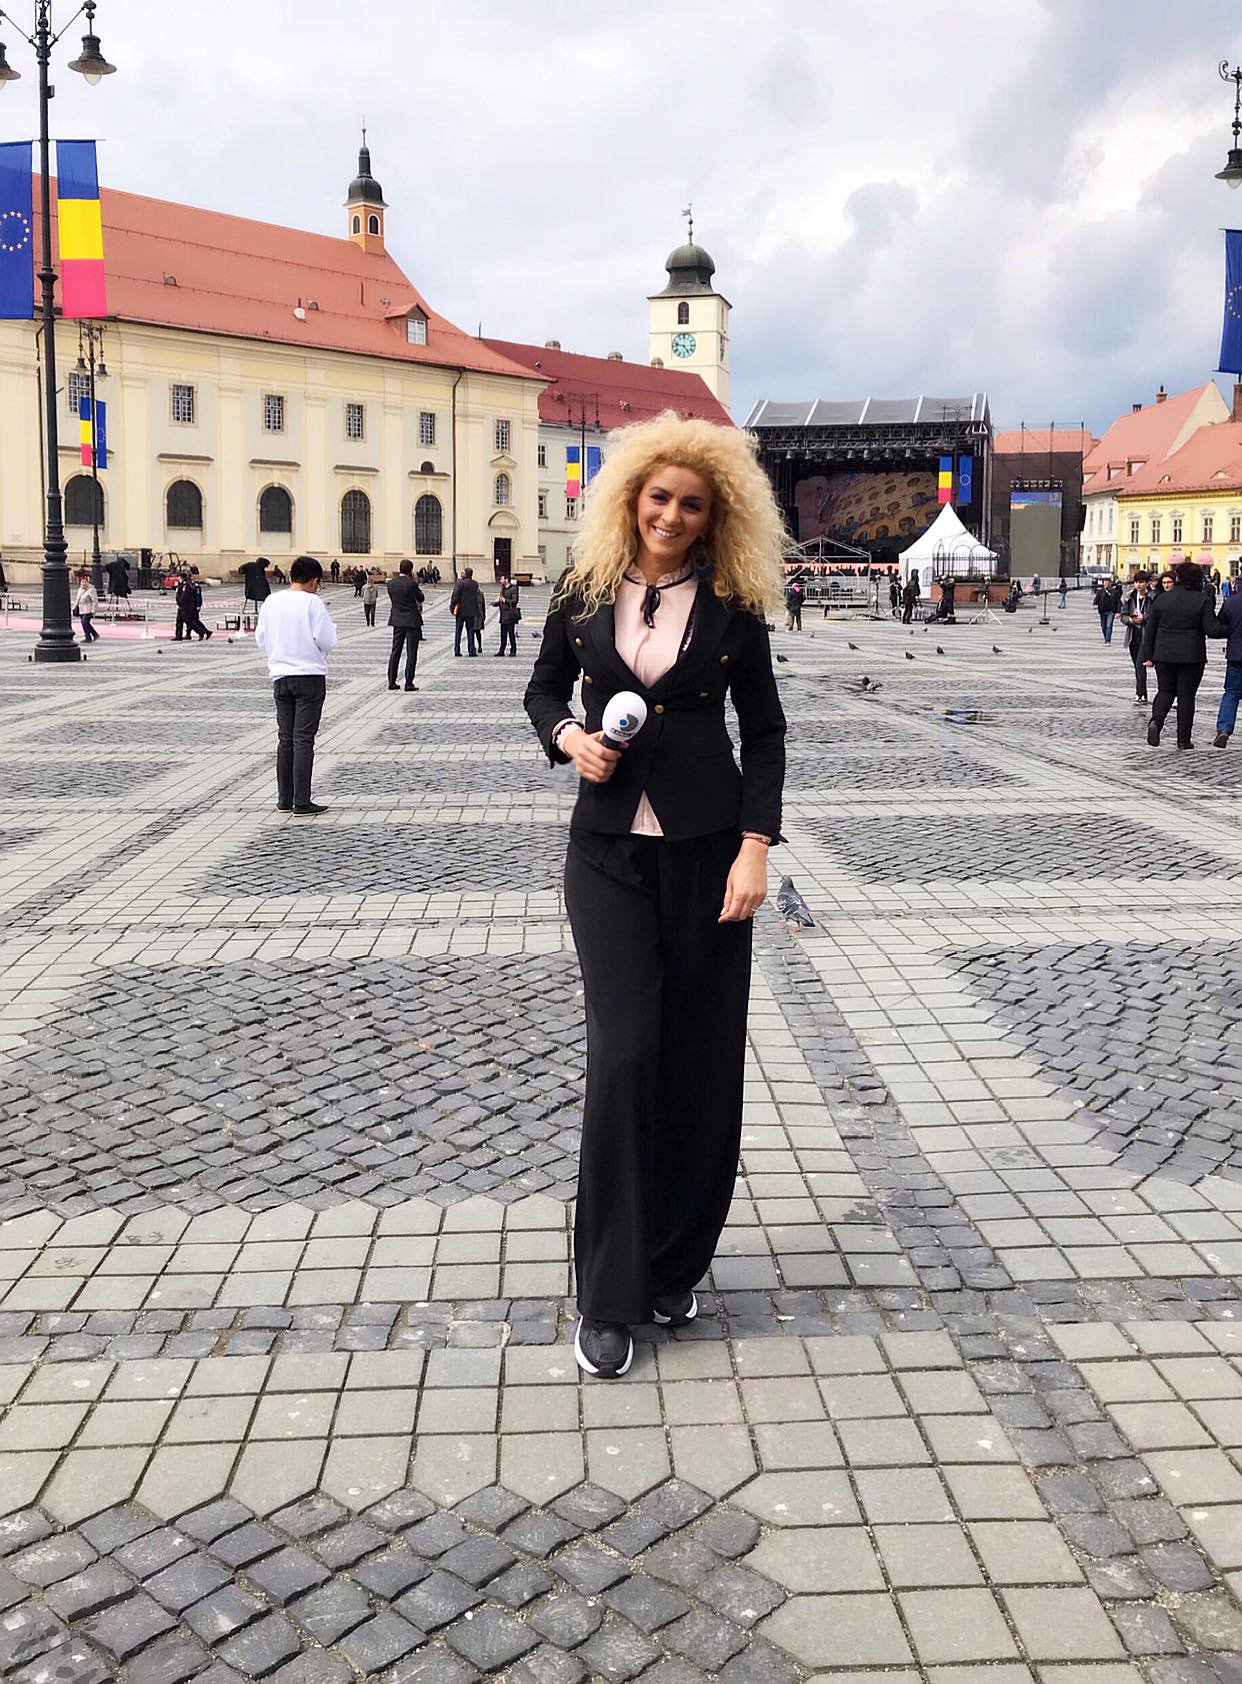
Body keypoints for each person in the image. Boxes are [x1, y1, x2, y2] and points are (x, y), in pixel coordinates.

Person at [524, 413, 787, 1381]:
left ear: (718, 516)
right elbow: (543, 691)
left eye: (693, 504)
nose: (672, 515)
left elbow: (765, 732)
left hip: (708, 852)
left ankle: (676, 1263)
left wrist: (755, 849)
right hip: (606, 853)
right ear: (631, 497)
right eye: (659, 497)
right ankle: (608, 1294)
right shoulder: (582, 590)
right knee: (628, 1052)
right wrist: (568, 738)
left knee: (700, 1060)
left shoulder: (733, 607)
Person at [254, 554, 337, 813]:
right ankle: (301, 800)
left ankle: (284, 799)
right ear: (314, 581)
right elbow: (327, 640)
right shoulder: (313, 603)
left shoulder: (271, 601)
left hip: (280, 676)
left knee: (285, 739)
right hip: (309, 676)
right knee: (303, 739)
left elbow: (260, 638)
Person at [1140, 558, 1226, 750]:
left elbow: (1150, 630)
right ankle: (1183, 740)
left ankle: (1156, 722)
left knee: (1165, 691)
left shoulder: (1162, 599)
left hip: (1163, 654)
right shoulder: (1201, 600)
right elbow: (1212, 630)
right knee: (1186, 697)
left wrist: (1148, 655)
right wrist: (1232, 629)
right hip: (1191, 656)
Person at [386, 558, 424, 691]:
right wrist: (414, 582)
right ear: (410, 570)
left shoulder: (391, 583)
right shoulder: (411, 584)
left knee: (395, 650)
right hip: (411, 621)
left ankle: (391, 681)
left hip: (397, 619)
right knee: (411, 652)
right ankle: (408, 682)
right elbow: (420, 598)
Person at [1213, 582, 1242, 747]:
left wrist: (1232, 632)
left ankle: (1224, 729)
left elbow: (1219, 626)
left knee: (1231, 693)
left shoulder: (1231, 602)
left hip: (1236, 655)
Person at [1120, 571, 1152, 705]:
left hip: (1146, 635)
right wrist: (1130, 620)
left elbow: (1155, 615)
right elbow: (1123, 615)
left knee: (1140, 664)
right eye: (1137, 582)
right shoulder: (1130, 597)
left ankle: (1140, 693)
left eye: (1142, 582)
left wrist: (1144, 618)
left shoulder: (1152, 597)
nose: (1139, 585)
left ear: (1147, 583)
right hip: (1133, 635)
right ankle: (1142, 693)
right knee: (1137, 665)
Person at [451, 567, 482, 655]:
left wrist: (452, 607)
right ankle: (471, 650)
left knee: (458, 631)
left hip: (461, 611)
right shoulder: (475, 584)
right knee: (470, 631)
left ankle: (457, 650)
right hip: (471, 611)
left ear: (465, 574)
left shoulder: (460, 583)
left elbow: (455, 596)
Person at [175, 573, 211, 640]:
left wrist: (198, 604)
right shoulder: (183, 584)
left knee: (191, 621)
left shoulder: (189, 585)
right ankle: (180, 635)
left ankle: (201, 632)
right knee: (181, 621)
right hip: (183, 606)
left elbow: (191, 596)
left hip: (188, 606)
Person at [495, 574, 521, 656]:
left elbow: (515, 601)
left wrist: (505, 600)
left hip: (510, 614)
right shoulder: (502, 588)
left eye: (502, 579)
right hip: (503, 614)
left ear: (506, 580)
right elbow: (502, 600)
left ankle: (513, 650)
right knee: (503, 634)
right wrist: (496, 603)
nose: (500, 581)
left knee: (511, 633)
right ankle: (502, 650)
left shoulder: (513, 588)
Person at [1093, 575, 1121, 642]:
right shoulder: (1100, 592)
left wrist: (1118, 612)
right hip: (1102, 611)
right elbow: (1096, 600)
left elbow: (1118, 602)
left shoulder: (1115, 592)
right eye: (1104, 582)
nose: (1105, 584)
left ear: (1110, 583)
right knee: (1103, 627)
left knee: (1109, 626)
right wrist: (1095, 605)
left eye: (1107, 582)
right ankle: (1106, 637)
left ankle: (1107, 640)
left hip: (1111, 611)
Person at [74, 571, 99, 642]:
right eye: (82, 581)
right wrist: (74, 607)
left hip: (88, 609)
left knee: (84, 622)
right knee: (85, 623)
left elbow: (95, 601)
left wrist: (93, 610)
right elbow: (78, 599)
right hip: (81, 610)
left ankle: (89, 637)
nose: (83, 583)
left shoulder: (91, 590)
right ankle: (93, 635)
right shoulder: (80, 589)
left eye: (85, 581)